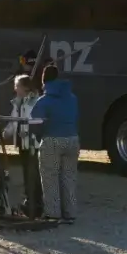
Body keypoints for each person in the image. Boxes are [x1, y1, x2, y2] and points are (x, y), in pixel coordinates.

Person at [29, 64, 79, 223]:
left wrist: (36, 137)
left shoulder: (44, 101)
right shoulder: (72, 97)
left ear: (44, 81)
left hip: (52, 139)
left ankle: (52, 213)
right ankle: (70, 213)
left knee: (50, 176)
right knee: (69, 177)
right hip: (72, 139)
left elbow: (35, 123)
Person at [4, 74, 43, 217]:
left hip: (32, 142)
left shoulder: (35, 101)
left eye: (17, 86)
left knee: (33, 172)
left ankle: (37, 203)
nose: (15, 88)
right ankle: (29, 201)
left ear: (24, 87)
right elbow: (13, 121)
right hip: (22, 142)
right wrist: (5, 134)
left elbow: (35, 120)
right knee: (26, 172)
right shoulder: (18, 102)